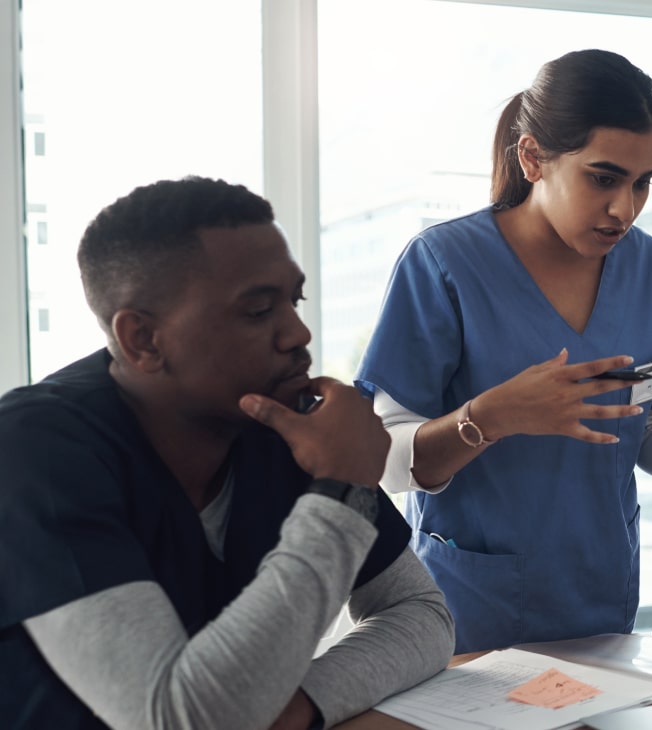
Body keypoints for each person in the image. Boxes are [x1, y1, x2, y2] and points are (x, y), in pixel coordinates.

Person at [0, 177, 454, 730]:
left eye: (295, 300)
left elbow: (421, 614)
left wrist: (300, 705)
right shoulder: (36, 449)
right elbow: (177, 720)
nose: (298, 333)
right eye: (259, 310)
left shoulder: (280, 423)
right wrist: (339, 491)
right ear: (143, 340)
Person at [355, 49, 652, 654]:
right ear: (532, 158)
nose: (624, 208)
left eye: (642, 184)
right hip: (471, 612)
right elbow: (382, 462)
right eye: (603, 178)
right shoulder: (444, 265)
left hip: (602, 605)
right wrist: (489, 419)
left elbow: (640, 426)